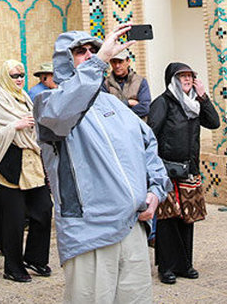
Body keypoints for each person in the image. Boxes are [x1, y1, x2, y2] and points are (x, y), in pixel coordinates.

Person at [34, 25, 169, 304]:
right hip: (90, 233)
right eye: (80, 52)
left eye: (93, 50)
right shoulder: (48, 104)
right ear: (63, 61)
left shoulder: (116, 105)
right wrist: (98, 62)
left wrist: (156, 192)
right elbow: (64, 111)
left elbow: (149, 147)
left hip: (132, 228)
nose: (90, 55)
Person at [148, 61, 220, 285]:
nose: (187, 80)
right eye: (182, 77)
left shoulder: (195, 103)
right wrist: (154, 167)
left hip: (189, 170)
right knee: (168, 219)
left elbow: (214, 123)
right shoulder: (163, 102)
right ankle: (166, 267)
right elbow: (150, 134)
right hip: (166, 170)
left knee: (187, 218)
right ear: (173, 80)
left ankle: (184, 264)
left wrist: (204, 97)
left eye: (190, 76)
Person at [0, 60, 52, 283]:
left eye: (21, 74)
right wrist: (16, 125)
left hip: (32, 160)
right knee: (14, 220)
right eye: (14, 75)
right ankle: (12, 267)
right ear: (6, 76)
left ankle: (35, 258)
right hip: (11, 163)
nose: (19, 79)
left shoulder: (25, 97)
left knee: (43, 210)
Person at [102, 51, 151, 120]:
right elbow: (105, 110)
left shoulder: (140, 81)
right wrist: (128, 102)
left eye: (120, 61)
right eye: (114, 62)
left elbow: (145, 108)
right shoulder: (105, 84)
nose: (117, 66)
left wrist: (117, 112)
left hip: (136, 127)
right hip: (115, 128)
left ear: (128, 61)